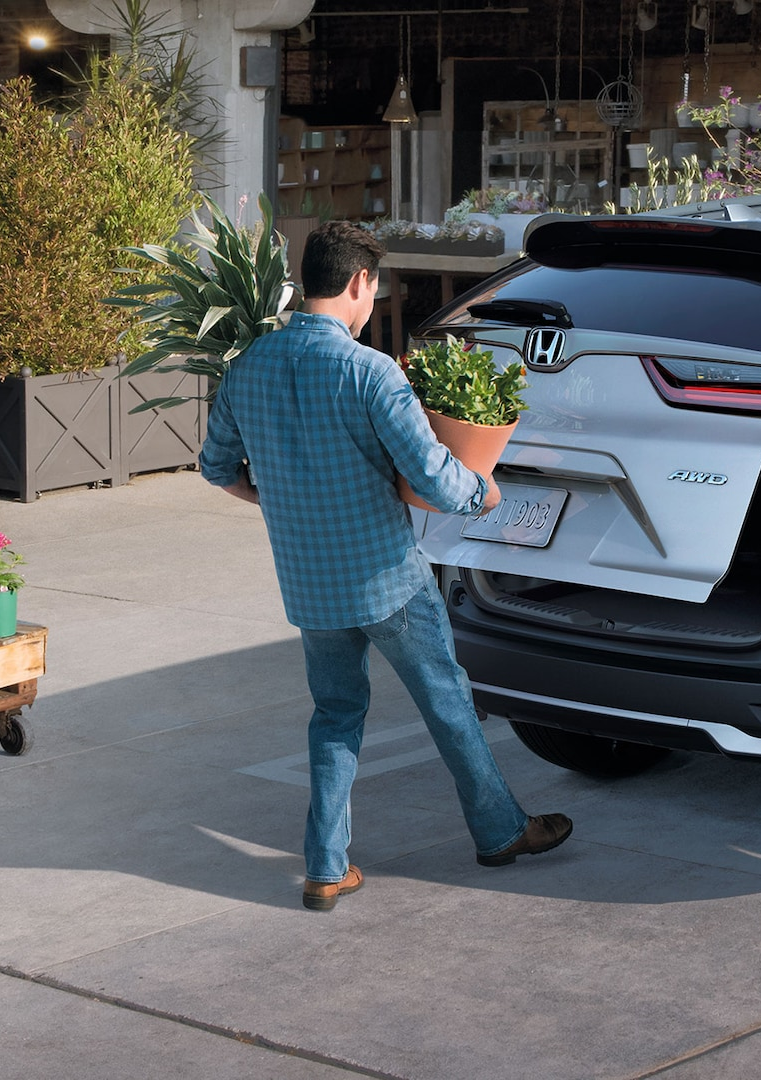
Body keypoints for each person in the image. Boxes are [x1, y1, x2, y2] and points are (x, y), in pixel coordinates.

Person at [199, 220, 570, 912]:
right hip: (387, 580)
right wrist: (483, 493)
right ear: (358, 282)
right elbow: (433, 478)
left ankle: (325, 867)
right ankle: (499, 832)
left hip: (309, 585)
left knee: (335, 715)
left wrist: (279, 501)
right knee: (449, 703)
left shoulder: (248, 366)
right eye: (374, 289)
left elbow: (216, 467)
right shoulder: (368, 372)